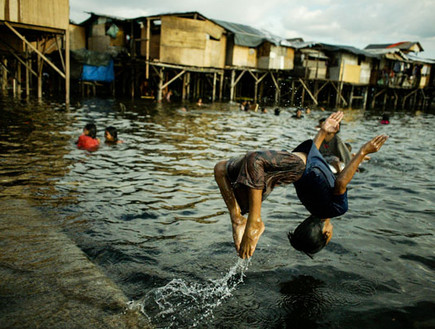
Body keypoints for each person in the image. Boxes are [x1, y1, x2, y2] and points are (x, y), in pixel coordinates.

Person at [214, 111, 388, 259]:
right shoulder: (312, 204)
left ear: (326, 234)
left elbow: (338, 180)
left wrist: (362, 151)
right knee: (221, 169)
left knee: (246, 162)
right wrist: (326, 133)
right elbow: (318, 161)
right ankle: (237, 219)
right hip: (277, 176)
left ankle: (254, 220)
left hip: (289, 168)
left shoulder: (333, 208)